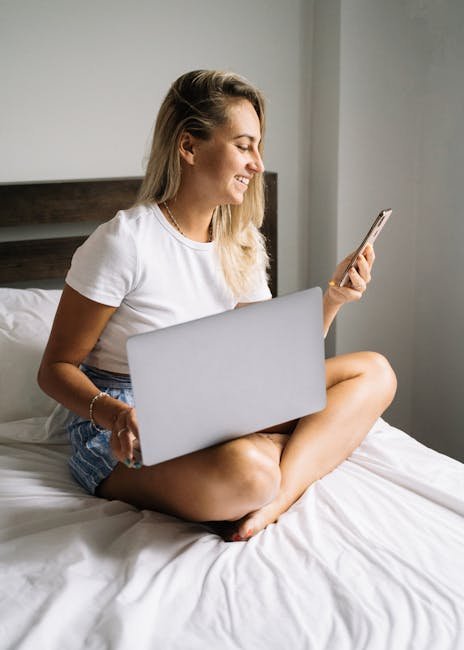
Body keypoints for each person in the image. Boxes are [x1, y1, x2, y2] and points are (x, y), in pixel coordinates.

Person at [38, 69, 397, 542]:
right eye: (244, 145)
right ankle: (272, 463)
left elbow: (272, 363)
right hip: (132, 421)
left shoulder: (241, 241)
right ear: (189, 147)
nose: (257, 163)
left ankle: (278, 496)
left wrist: (334, 297)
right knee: (249, 473)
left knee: (375, 372)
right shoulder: (125, 241)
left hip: (217, 400)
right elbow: (55, 368)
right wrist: (115, 415)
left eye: (258, 147)